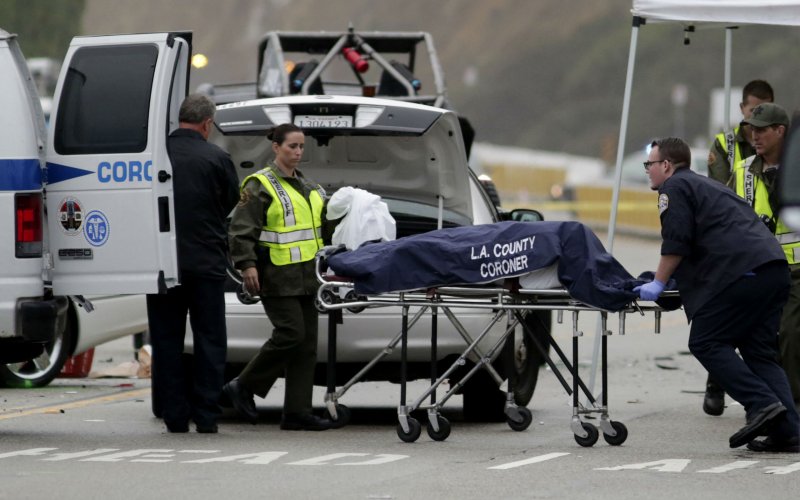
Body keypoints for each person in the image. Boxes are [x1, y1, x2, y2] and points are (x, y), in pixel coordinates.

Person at [635, 137, 799, 452]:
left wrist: (658, 282)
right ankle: (789, 431)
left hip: (743, 273)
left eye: (650, 165)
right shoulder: (707, 186)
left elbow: (677, 241)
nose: (648, 171)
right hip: (772, 269)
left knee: (705, 342)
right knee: (760, 353)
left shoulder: (675, 189)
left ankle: (762, 403)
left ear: (666, 165)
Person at [224, 123, 333, 431]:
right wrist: (247, 265)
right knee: (291, 334)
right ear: (276, 147)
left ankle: (297, 412)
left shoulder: (309, 186)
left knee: (307, 346)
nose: (297, 152)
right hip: (276, 276)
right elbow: (241, 230)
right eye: (291, 147)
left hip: (309, 277)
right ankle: (242, 385)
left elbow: (320, 231)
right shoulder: (259, 184)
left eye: (301, 147)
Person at [147, 94, 240, 434]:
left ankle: (174, 416)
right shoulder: (216, 158)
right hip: (206, 264)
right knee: (210, 340)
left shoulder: (157, 157)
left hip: (162, 265)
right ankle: (206, 416)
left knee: (167, 340)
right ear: (206, 124)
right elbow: (230, 202)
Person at [701, 79, 773, 416]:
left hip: (770, 249)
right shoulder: (725, 145)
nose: (755, 118)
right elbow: (718, 194)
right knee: (725, 322)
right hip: (731, 246)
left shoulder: (781, 147)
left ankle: (760, 399)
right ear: (741, 109)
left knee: (762, 333)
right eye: (751, 110)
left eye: (762, 110)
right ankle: (718, 381)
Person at [732, 103, 800, 410]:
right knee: (753, 339)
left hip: (796, 269)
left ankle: (792, 405)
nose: (754, 136)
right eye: (751, 130)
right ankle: (767, 403)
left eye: (761, 130)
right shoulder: (743, 169)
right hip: (759, 270)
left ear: (780, 131)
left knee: (789, 334)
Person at [707, 79, 774, 185]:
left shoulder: (782, 143)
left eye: (765, 111)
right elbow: (717, 191)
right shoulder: (723, 145)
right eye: (754, 111)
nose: (759, 117)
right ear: (742, 108)